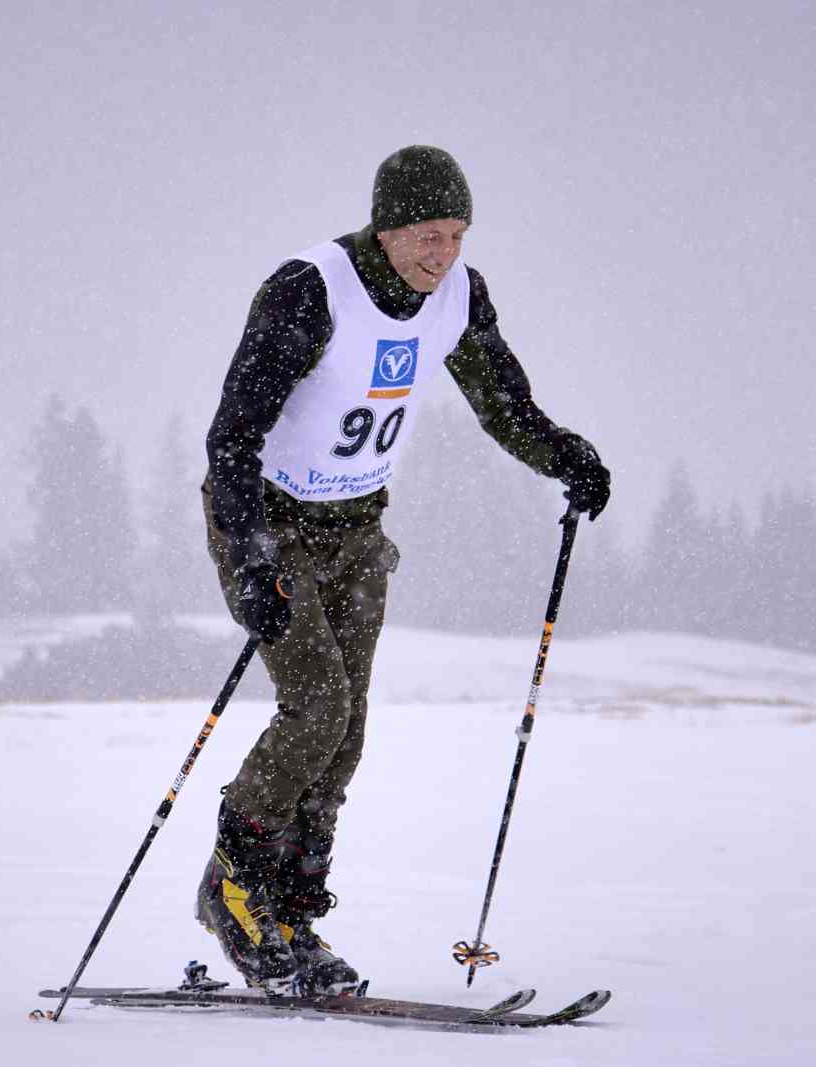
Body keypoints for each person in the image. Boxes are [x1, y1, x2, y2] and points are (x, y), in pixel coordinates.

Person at [194, 145, 611, 995]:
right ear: (387, 227)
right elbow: (232, 437)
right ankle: (233, 889)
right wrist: (250, 559)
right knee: (318, 707)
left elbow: (503, 403)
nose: (444, 254)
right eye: (429, 234)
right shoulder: (310, 290)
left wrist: (565, 454)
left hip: (357, 528)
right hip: (271, 522)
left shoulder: (457, 297)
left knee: (346, 731)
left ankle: (290, 913)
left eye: (458, 235)